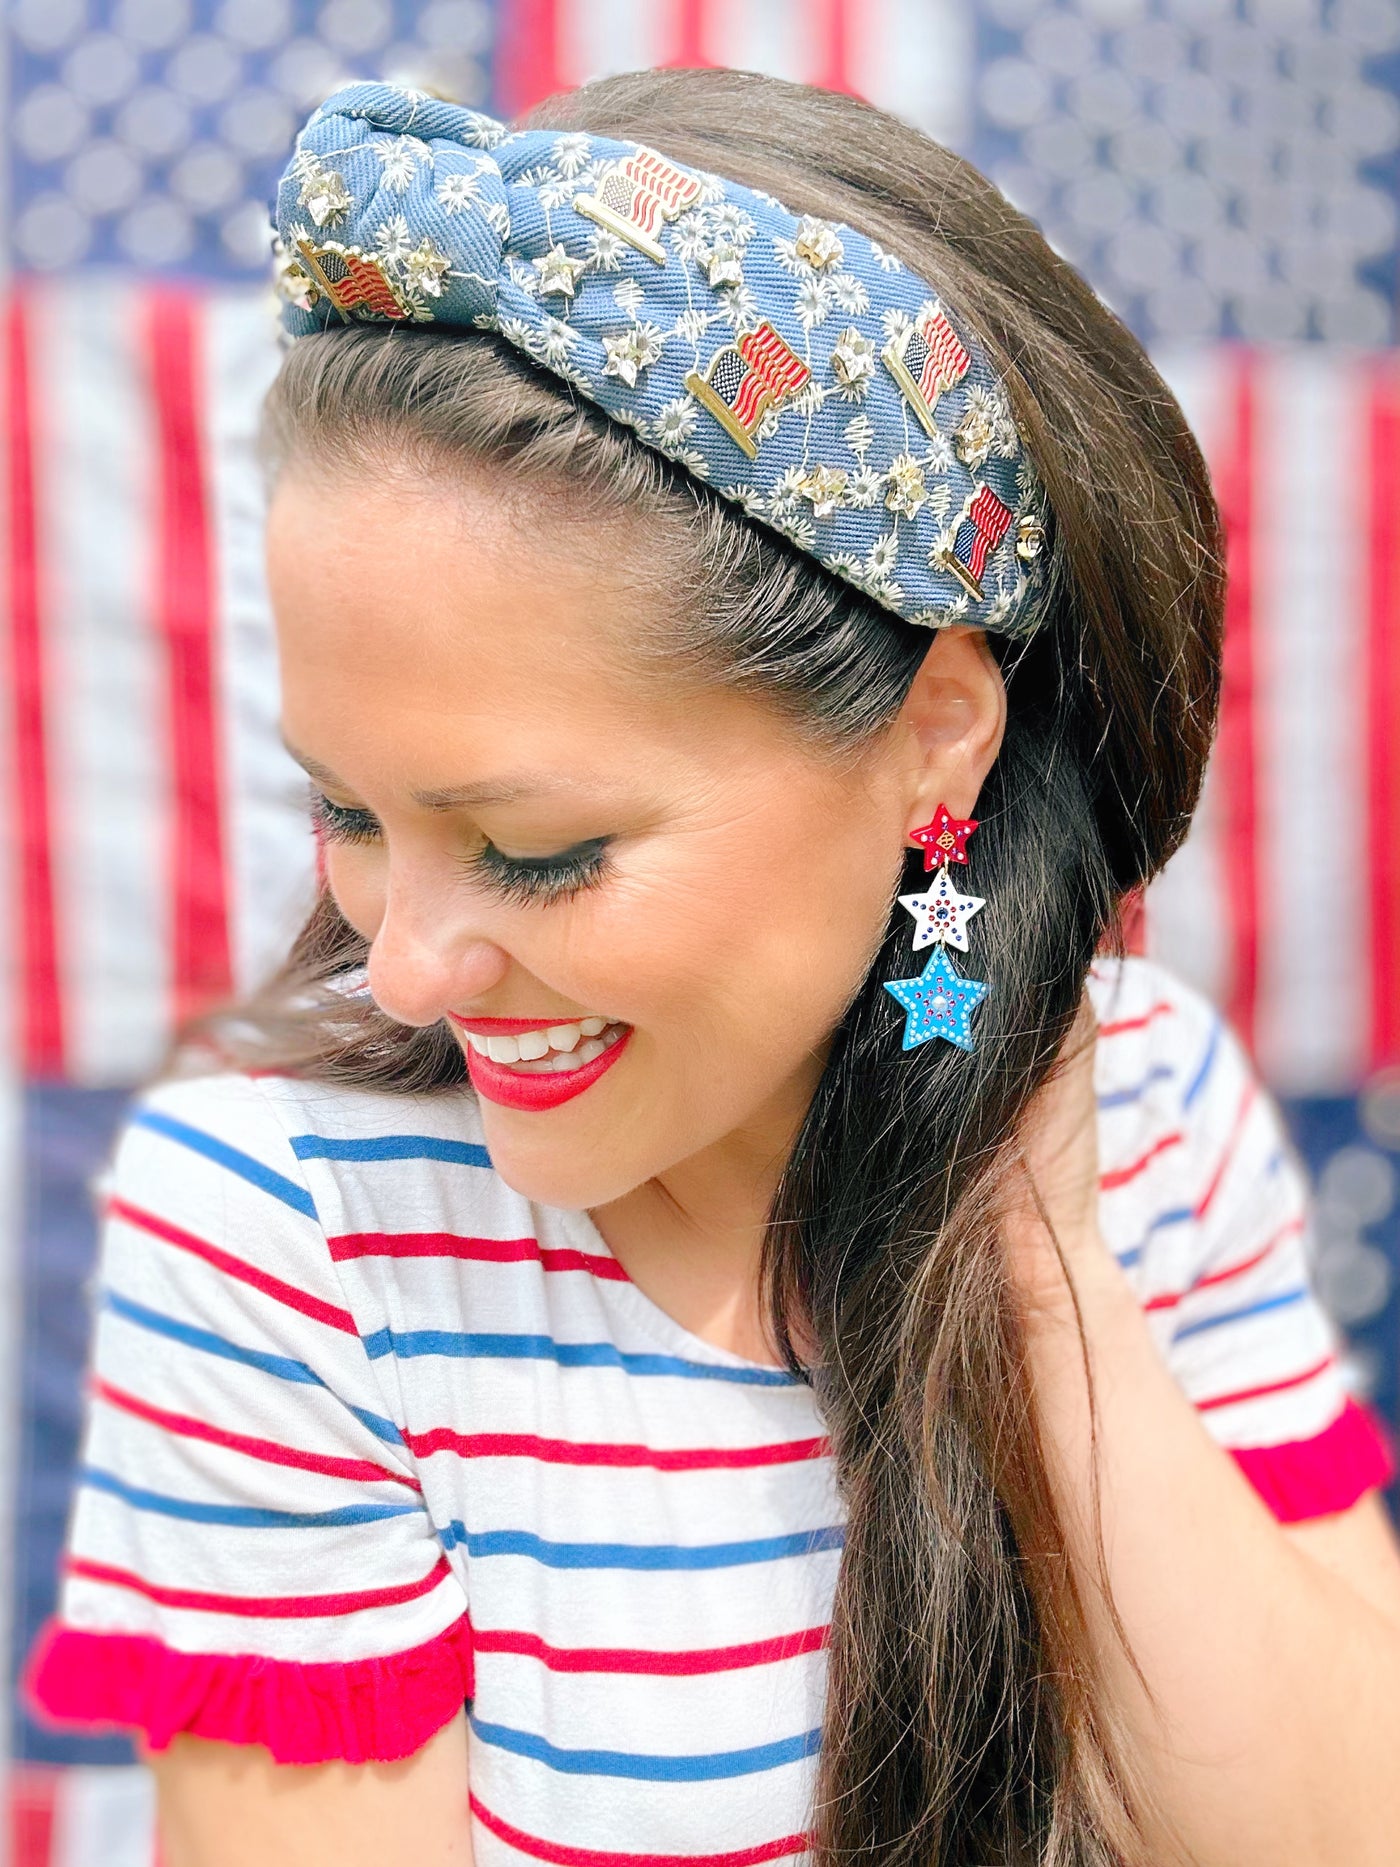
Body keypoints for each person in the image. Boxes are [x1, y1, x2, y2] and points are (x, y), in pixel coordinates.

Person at [24, 63, 1400, 1867]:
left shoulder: (1154, 1119)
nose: (414, 967)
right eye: (348, 811)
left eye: (539, 848)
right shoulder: (283, 1241)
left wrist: (1021, 1235)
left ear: (937, 742)